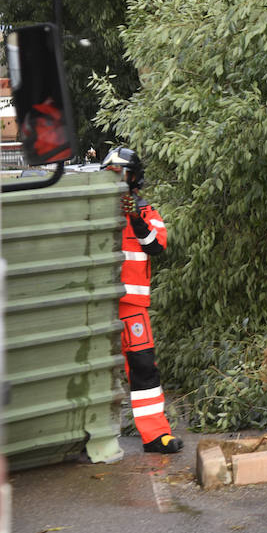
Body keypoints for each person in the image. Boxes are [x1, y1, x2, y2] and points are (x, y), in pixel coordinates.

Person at [101, 145, 183, 454]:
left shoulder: (147, 211)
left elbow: (156, 246)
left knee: (144, 368)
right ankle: (84, 438)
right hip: (96, 307)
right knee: (91, 370)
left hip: (132, 309)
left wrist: (135, 217)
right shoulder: (92, 208)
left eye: (123, 174)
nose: (119, 179)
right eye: (113, 174)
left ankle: (155, 435)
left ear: (135, 178)